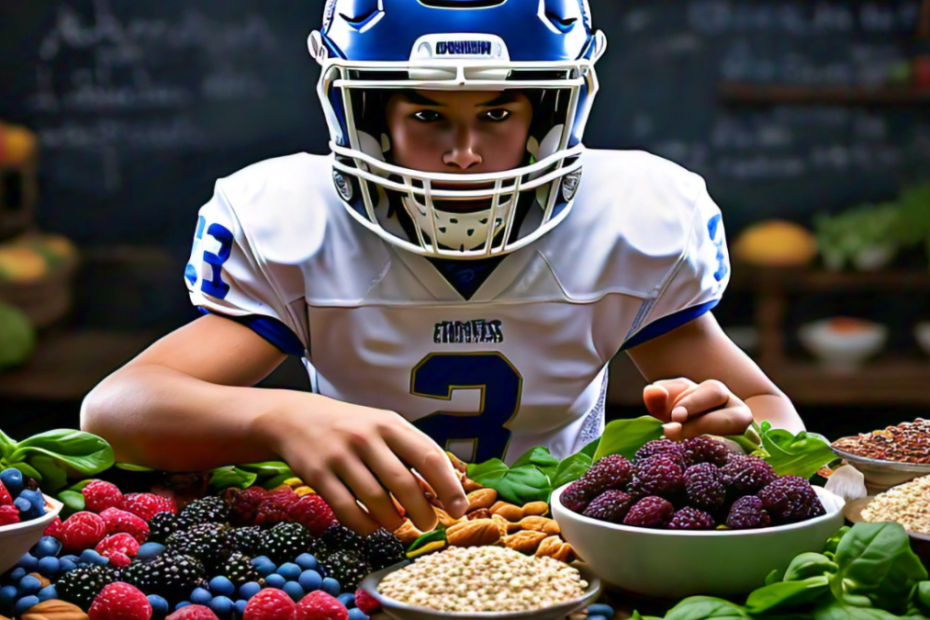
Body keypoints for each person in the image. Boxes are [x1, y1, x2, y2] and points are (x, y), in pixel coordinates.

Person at [81, 0, 805, 536]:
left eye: (496, 115)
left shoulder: (635, 218)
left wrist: (730, 436)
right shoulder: (294, 220)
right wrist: (276, 414)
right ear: (370, 119)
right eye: (427, 117)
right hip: (361, 535)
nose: (464, 153)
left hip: (559, 537)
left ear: (548, 114)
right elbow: (117, 411)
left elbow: (771, 415)